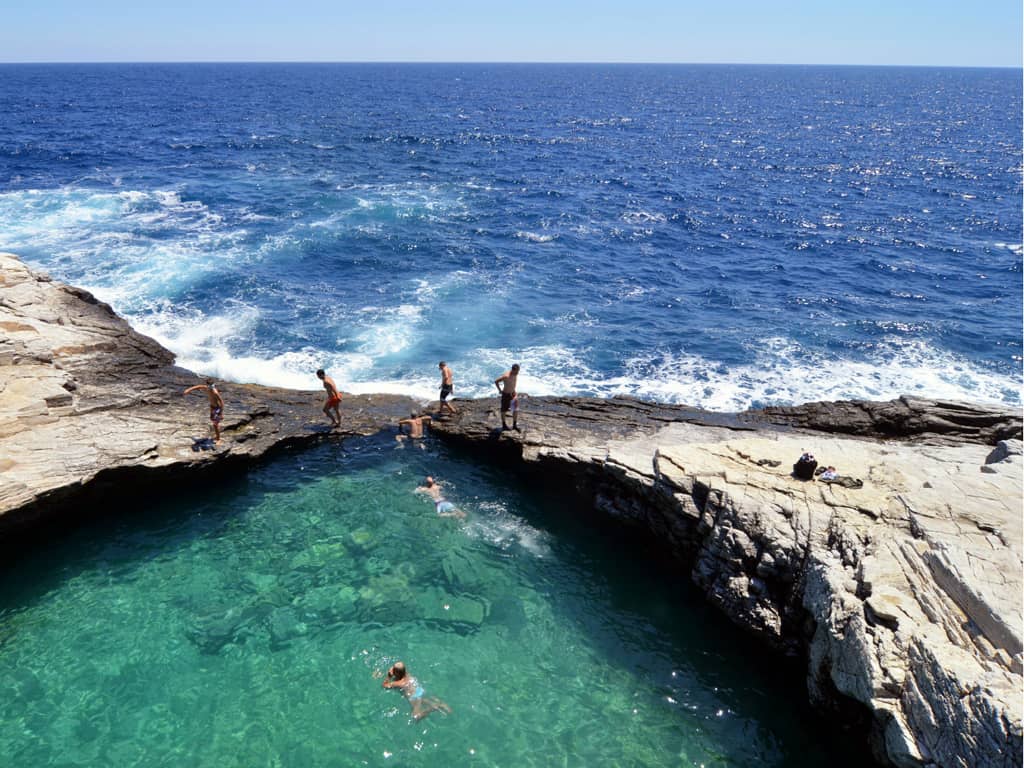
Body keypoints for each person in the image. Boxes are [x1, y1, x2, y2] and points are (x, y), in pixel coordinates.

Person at [381, 661, 451, 720]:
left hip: (414, 697)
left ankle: (435, 707)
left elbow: (384, 686)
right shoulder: (407, 674)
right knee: (423, 699)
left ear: (397, 673)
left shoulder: (399, 683)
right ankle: (438, 703)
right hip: (419, 690)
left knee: (416, 716)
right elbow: (400, 671)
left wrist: (388, 676)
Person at [494, 363, 520, 431]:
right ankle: (504, 425)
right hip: (506, 395)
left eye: (518, 371)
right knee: (503, 411)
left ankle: (514, 425)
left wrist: (515, 393)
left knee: (515, 410)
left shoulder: (515, 374)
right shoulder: (506, 376)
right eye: (517, 371)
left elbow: (513, 384)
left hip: (513, 394)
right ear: (513, 370)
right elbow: (496, 381)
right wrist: (500, 390)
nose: (518, 373)